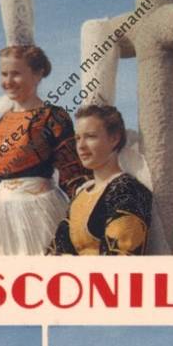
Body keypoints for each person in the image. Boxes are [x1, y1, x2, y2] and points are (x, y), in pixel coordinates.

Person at [0, 44, 90, 255]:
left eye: (15, 74)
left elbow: (73, 173)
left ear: (38, 74)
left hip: (40, 210)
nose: (7, 81)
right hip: (4, 214)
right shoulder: (1, 123)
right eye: (4, 74)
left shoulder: (53, 117)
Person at [49, 104, 152, 255]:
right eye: (77, 138)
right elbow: (57, 250)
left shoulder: (127, 190)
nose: (81, 146)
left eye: (90, 136)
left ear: (114, 138)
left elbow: (119, 261)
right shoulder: (82, 193)